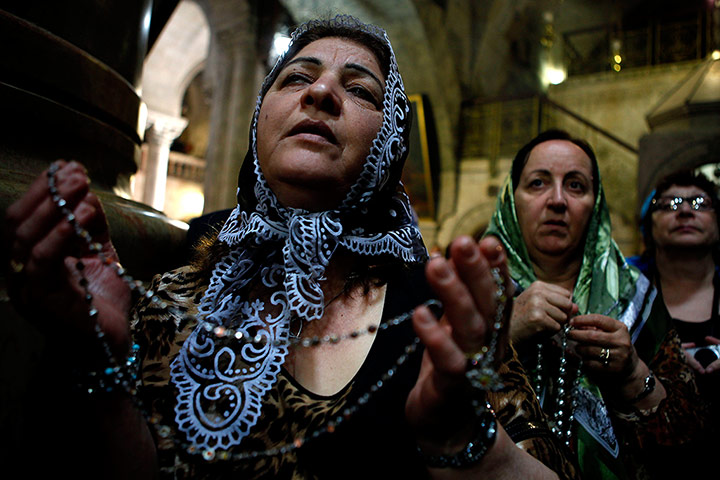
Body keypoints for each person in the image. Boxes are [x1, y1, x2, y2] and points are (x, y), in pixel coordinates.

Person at [4, 16, 576, 479]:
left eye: (359, 90)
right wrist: (96, 358)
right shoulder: (174, 289)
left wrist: (465, 446)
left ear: (391, 142)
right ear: (259, 120)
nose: (322, 92)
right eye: (296, 79)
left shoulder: (447, 317)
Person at [484, 129, 705, 480]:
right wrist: (502, 334)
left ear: (595, 203)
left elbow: (691, 439)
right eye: (538, 183)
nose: (558, 200)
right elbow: (421, 410)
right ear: (512, 199)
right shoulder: (469, 290)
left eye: (575, 186)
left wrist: (632, 372)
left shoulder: (635, 296)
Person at [630, 170, 720, 474]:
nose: (684, 210)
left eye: (700, 203)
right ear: (648, 225)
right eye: (668, 204)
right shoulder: (622, 290)